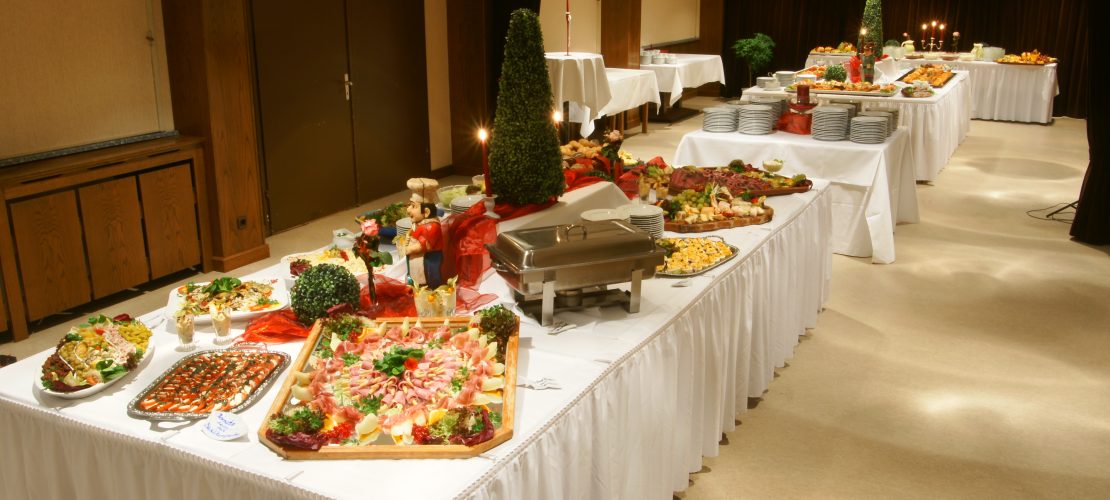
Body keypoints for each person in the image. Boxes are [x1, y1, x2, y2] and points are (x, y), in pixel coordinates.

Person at [401, 178, 444, 288]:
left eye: (413, 206)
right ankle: (415, 283)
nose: (408, 210)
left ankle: (431, 289)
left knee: (430, 275)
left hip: (429, 257)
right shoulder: (419, 222)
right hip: (417, 257)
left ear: (426, 212)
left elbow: (424, 245)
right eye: (410, 205)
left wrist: (409, 249)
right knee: (414, 272)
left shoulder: (431, 226)